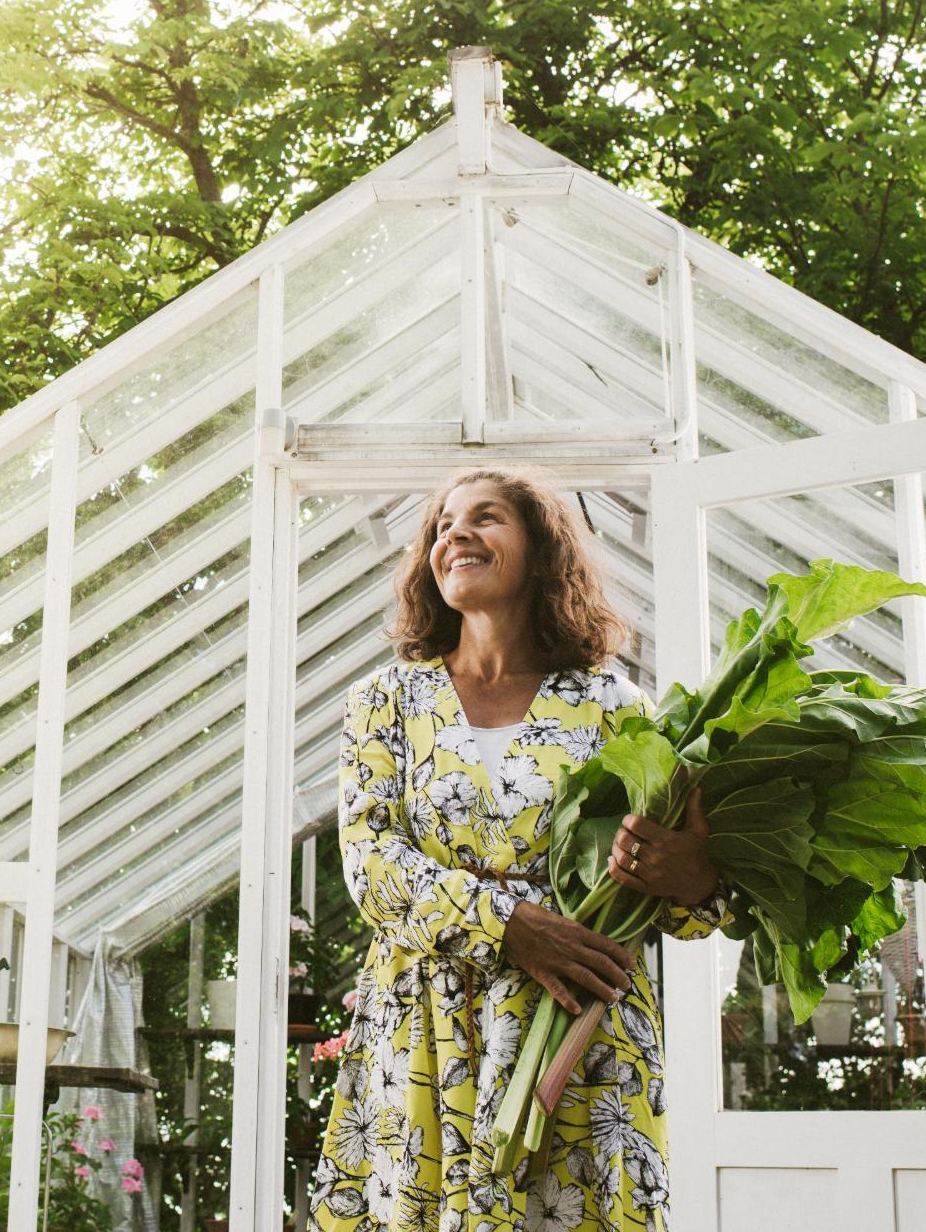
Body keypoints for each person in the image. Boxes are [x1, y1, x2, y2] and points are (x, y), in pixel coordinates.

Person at [310, 468, 730, 1231]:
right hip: (426, 1036)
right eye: (442, 525)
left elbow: (672, 900)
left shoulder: (615, 706)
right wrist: (509, 925)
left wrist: (697, 880)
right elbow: (370, 863)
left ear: (542, 552)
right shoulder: (385, 702)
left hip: (577, 1036)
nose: (454, 535)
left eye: (486, 517)